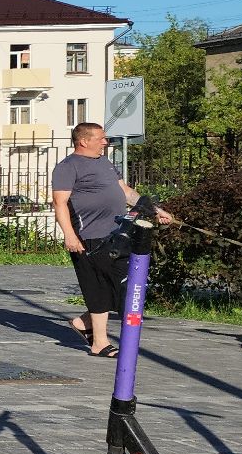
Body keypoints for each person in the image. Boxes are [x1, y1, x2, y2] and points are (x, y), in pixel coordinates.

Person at [51, 122, 172, 357]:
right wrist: (69, 235)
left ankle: (83, 324)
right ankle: (99, 342)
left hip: (116, 234)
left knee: (123, 284)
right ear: (84, 141)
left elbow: (125, 192)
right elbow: (59, 203)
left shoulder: (104, 163)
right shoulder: (68, 167)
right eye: (101, 138)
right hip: (88, 237)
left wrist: (155, 209)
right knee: (98, 286)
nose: (105, 142)